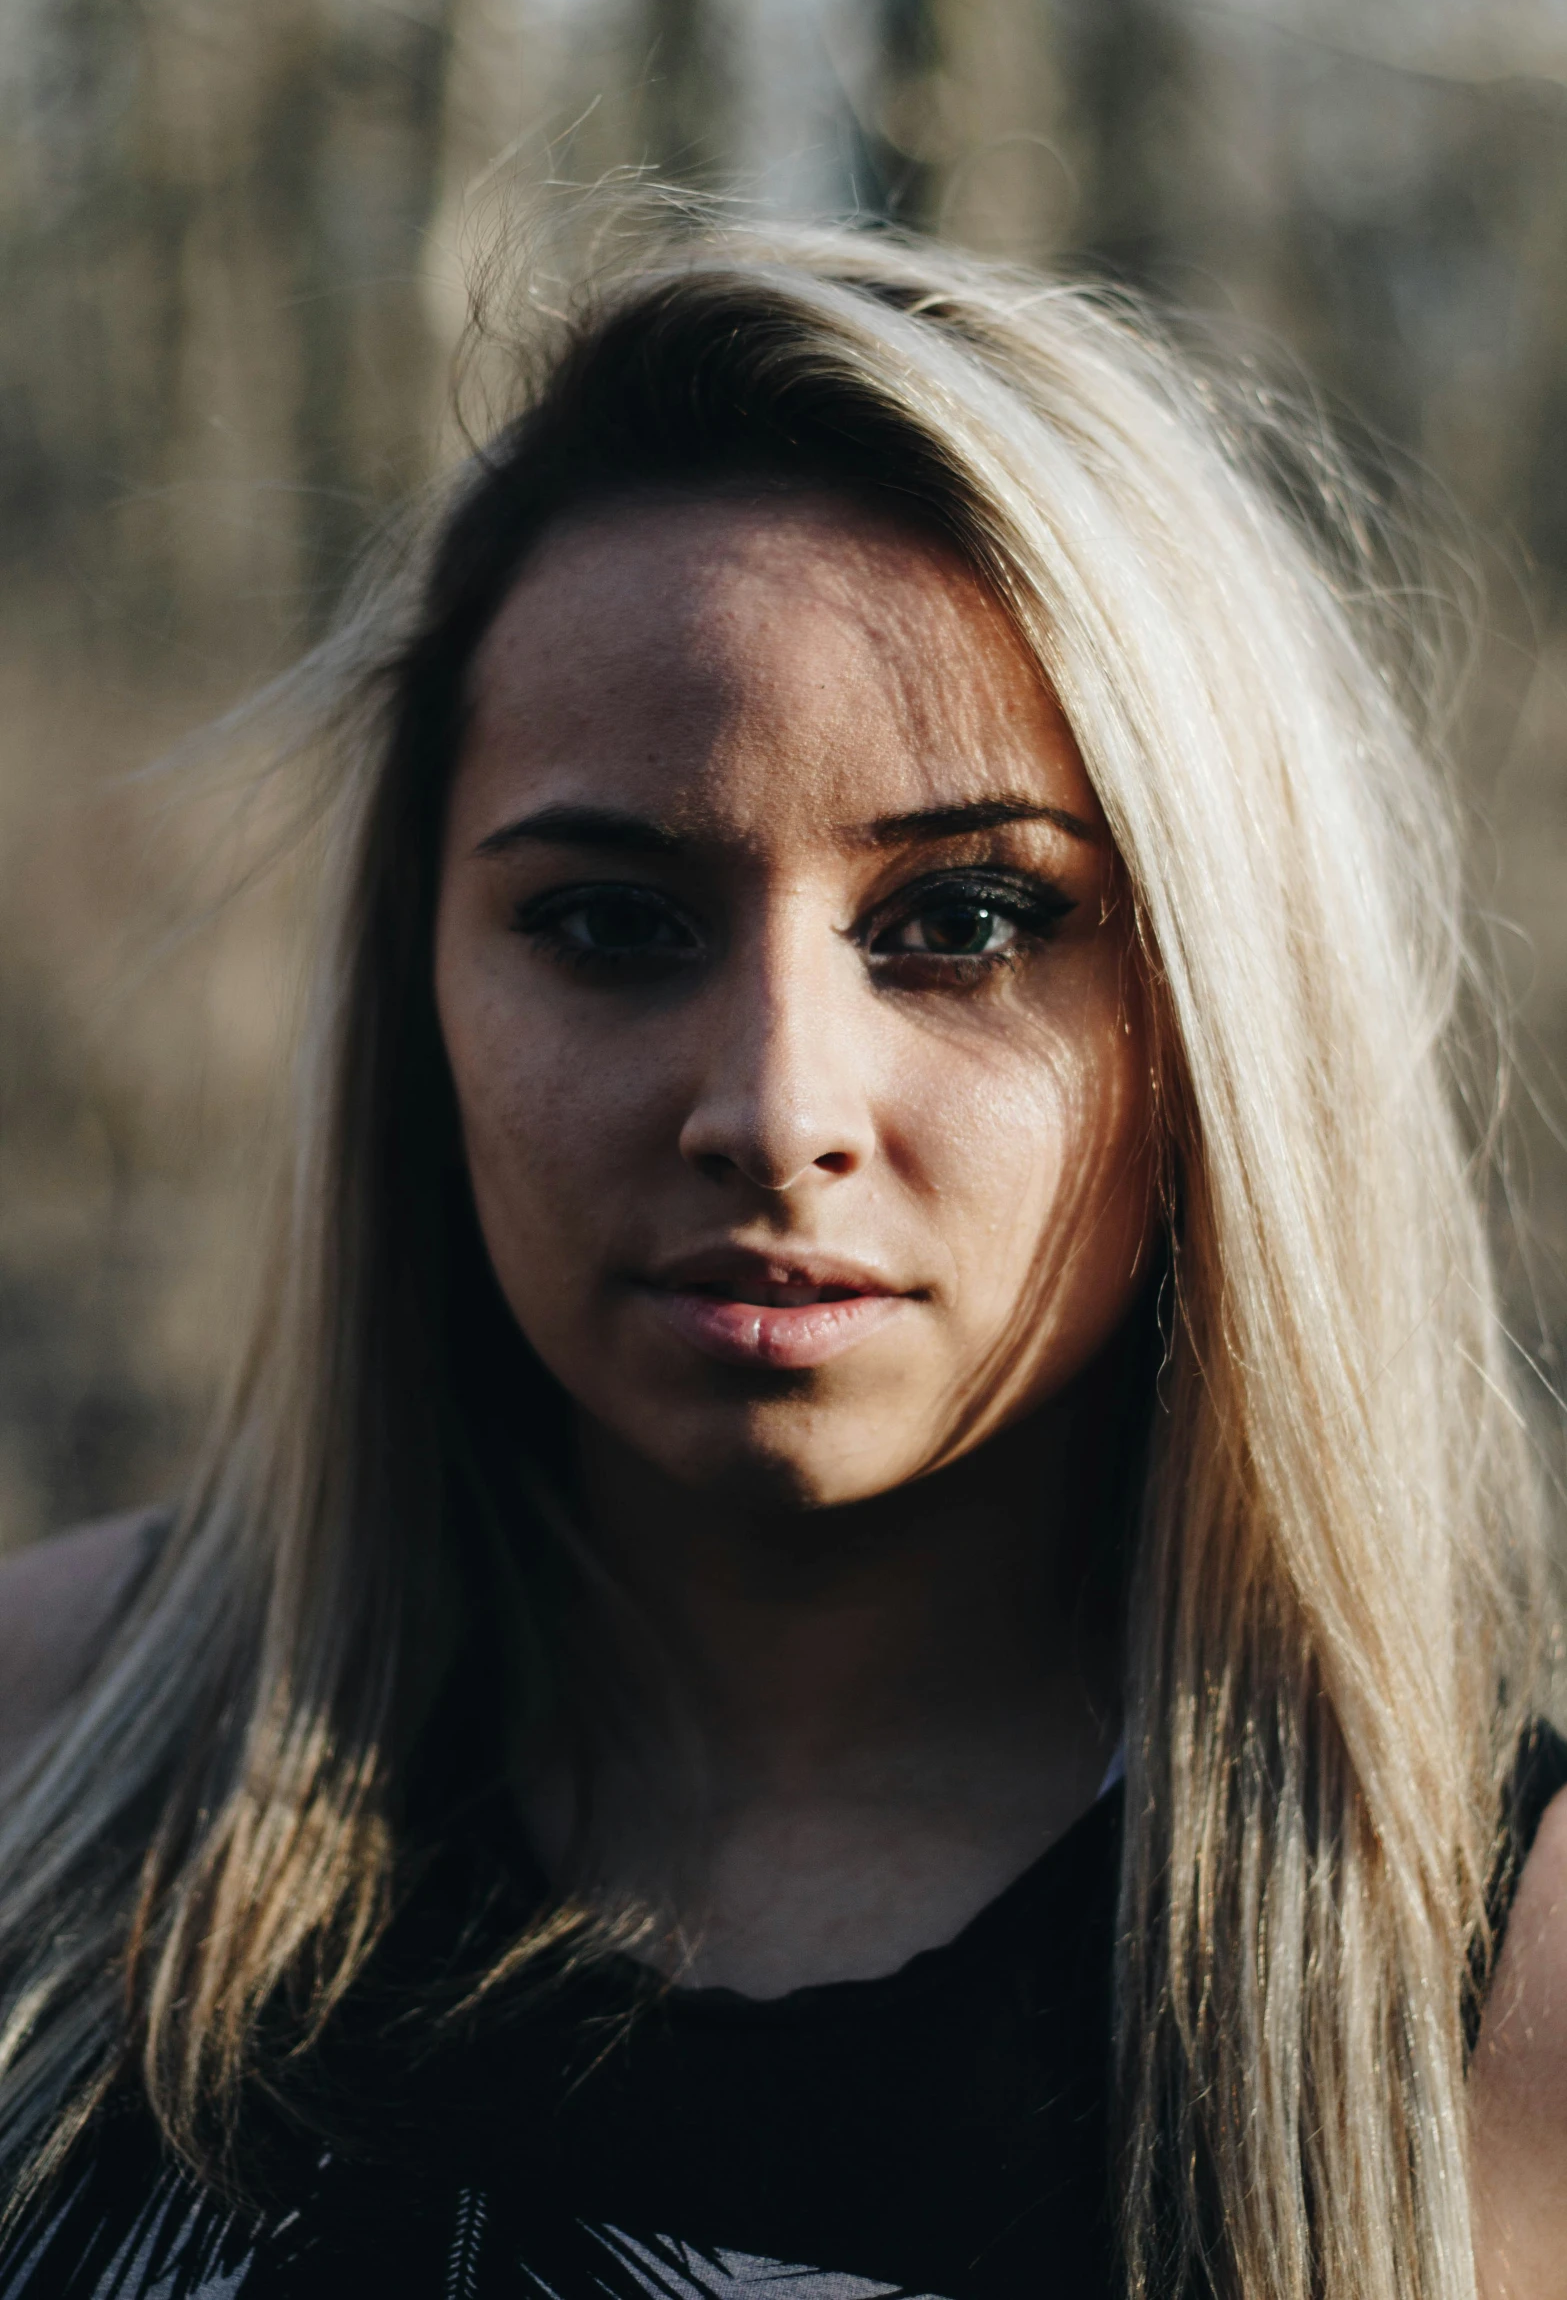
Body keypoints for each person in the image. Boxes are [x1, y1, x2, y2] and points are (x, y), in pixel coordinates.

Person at [0, 217, 1561, 2300]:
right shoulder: (38, 1754)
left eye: (973, 919)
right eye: (614, 921)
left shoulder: (1510, 1998)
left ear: (1223, 1006)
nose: (773, 1103)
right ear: (418, 991)